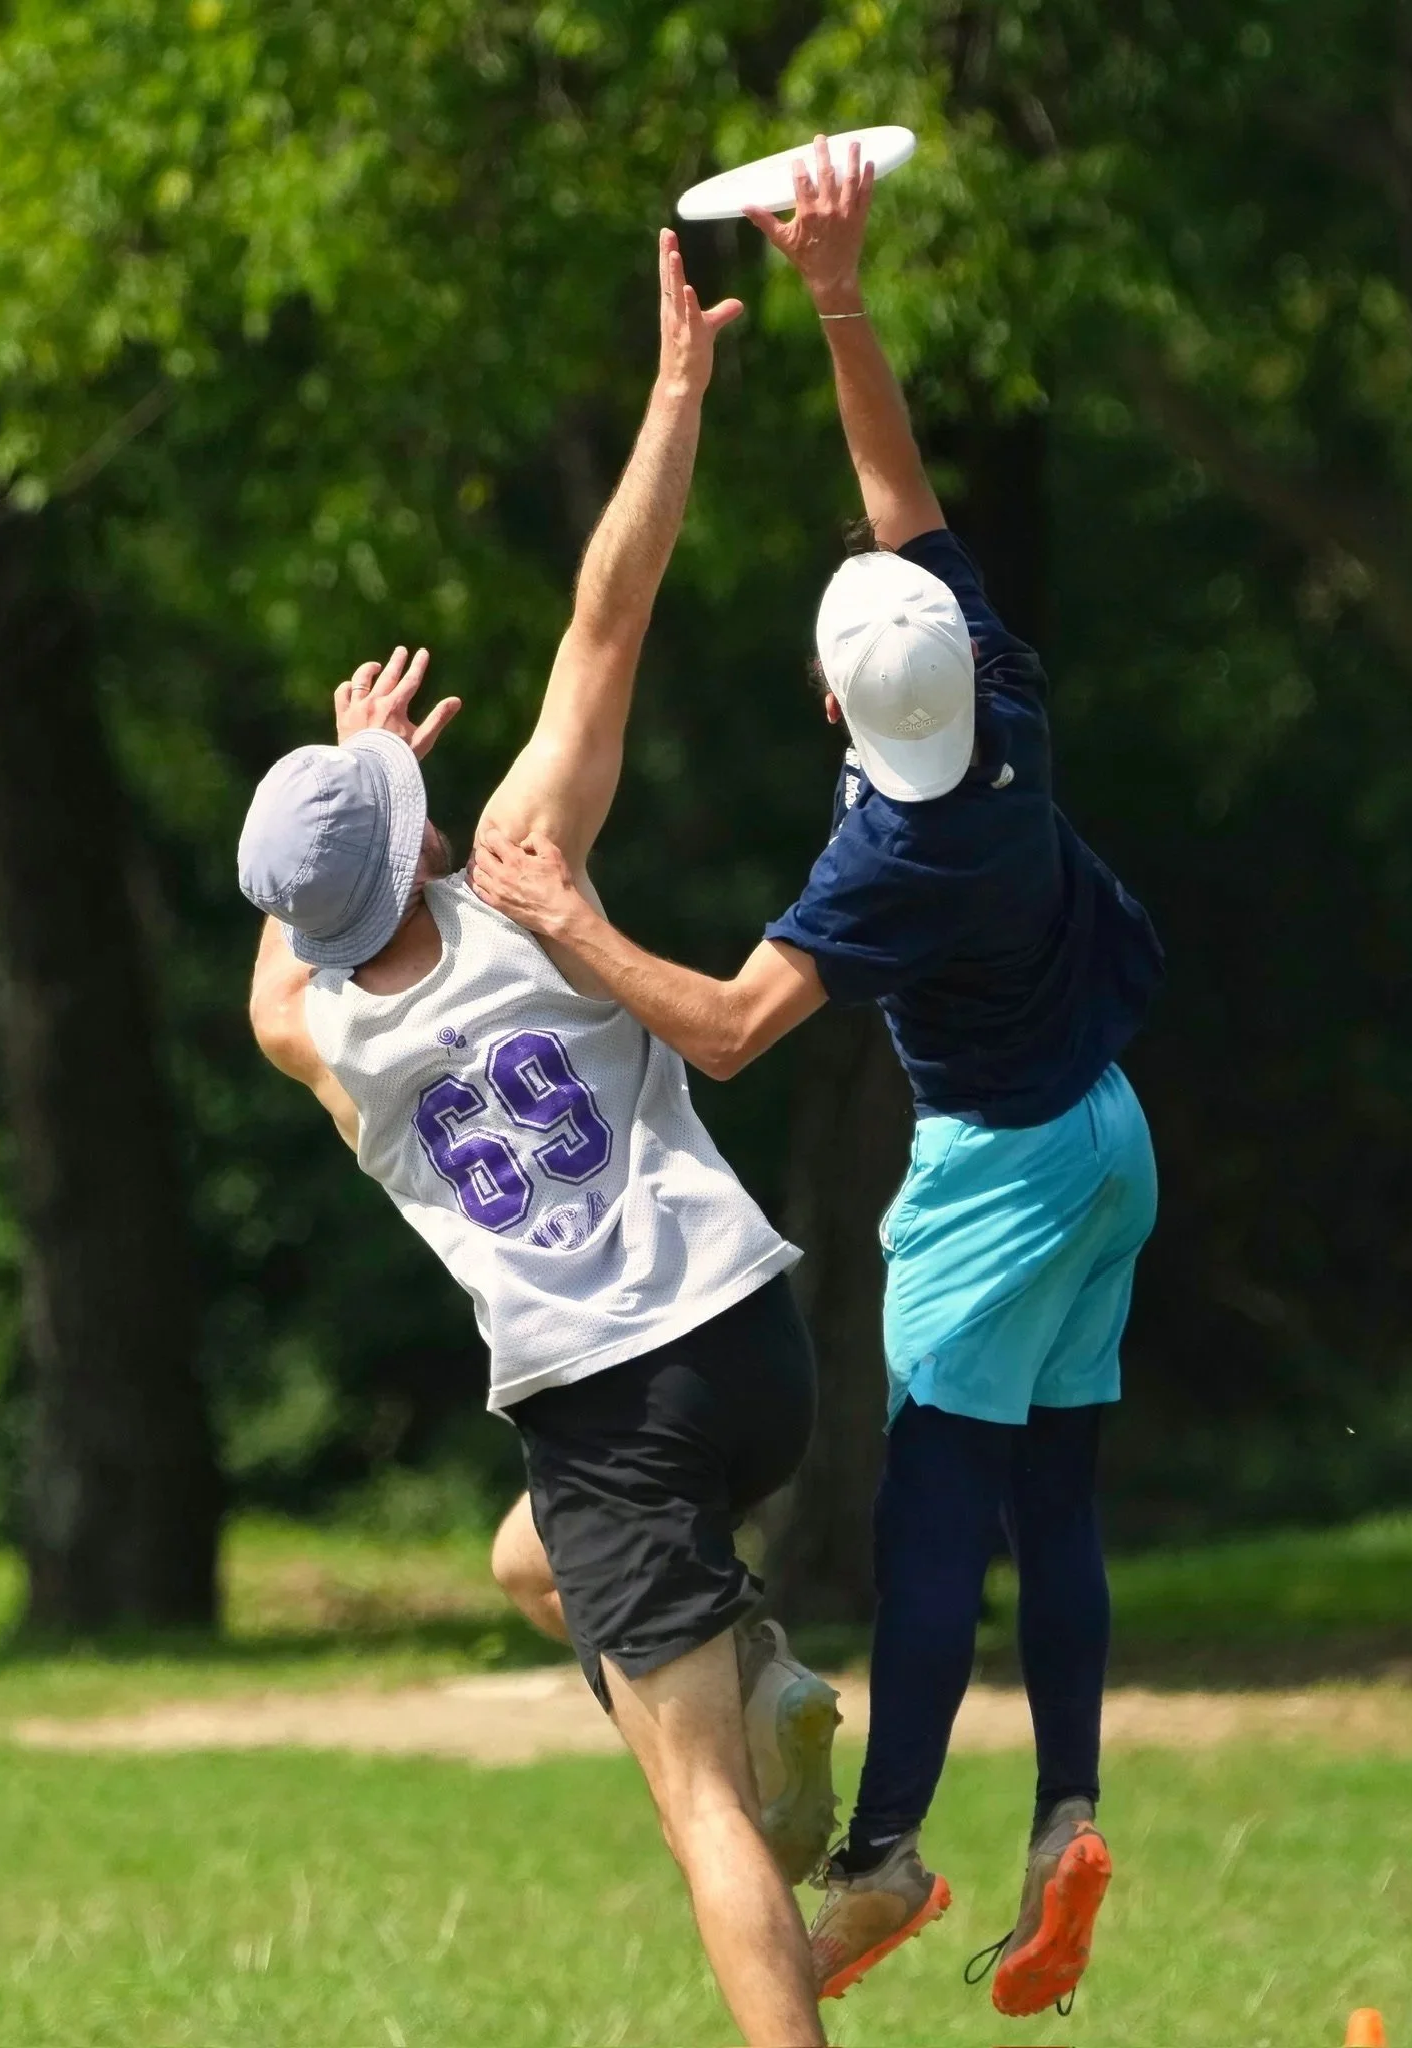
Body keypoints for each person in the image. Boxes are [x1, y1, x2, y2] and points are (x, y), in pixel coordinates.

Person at [470, 140, 1164, 2022]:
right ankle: (1067, 1815)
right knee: (1064, 1504)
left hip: (1000, 1168)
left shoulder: (882, 865)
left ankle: (882, 1859)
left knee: (939, 1517)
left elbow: (714, 1024)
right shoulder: (999, 694)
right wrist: (841, 292)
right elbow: (900, 493)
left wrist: (555, 917)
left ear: (840, 703)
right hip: (1113, 1139)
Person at [240, 231, 840, 2048]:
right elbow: (605, 619)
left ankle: (754, 1725)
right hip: (755, 1347)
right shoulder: (520, 870)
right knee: (530, 1566)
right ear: (420, 835)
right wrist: (677, 395)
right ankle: (759, 1665)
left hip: (607, 1402)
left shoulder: (317, 1041)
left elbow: (287, 957)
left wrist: (342, 819)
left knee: (701, 1815)